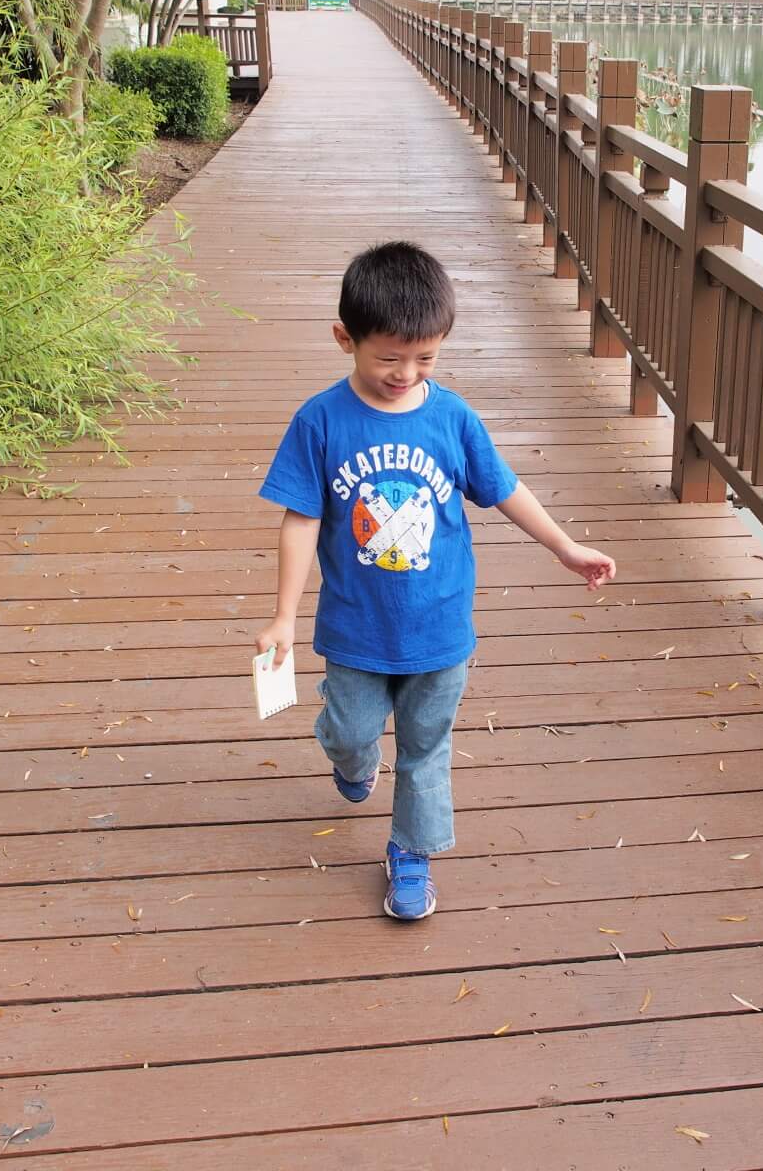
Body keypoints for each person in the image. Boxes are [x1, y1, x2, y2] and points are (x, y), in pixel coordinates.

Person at [256, 241, 617, 921]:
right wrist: (282, 617)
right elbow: (300, 521)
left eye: (425, 358)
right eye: (388, 357)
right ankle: (352, 760)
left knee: (425, 747)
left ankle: (412, 852)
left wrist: (564, 547)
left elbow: (503, 489)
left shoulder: (452, 419)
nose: (406, 373)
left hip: (440, 628)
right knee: (350, 729)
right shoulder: (320, 422)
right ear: (346, 339)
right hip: (356, 627)